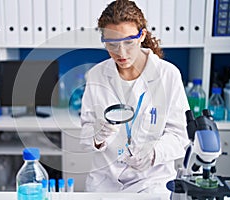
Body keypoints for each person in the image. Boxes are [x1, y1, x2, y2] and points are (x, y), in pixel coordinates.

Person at [80, 0, 190, 194]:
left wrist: (154, 153)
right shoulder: (96, 75)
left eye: (128, 42)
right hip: (104, 184)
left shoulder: (167, 75)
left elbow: (179, 136)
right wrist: (96, 136)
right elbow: (87, 129)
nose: (121, 53)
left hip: (152, 183)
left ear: (142, 36)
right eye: (112, 44)